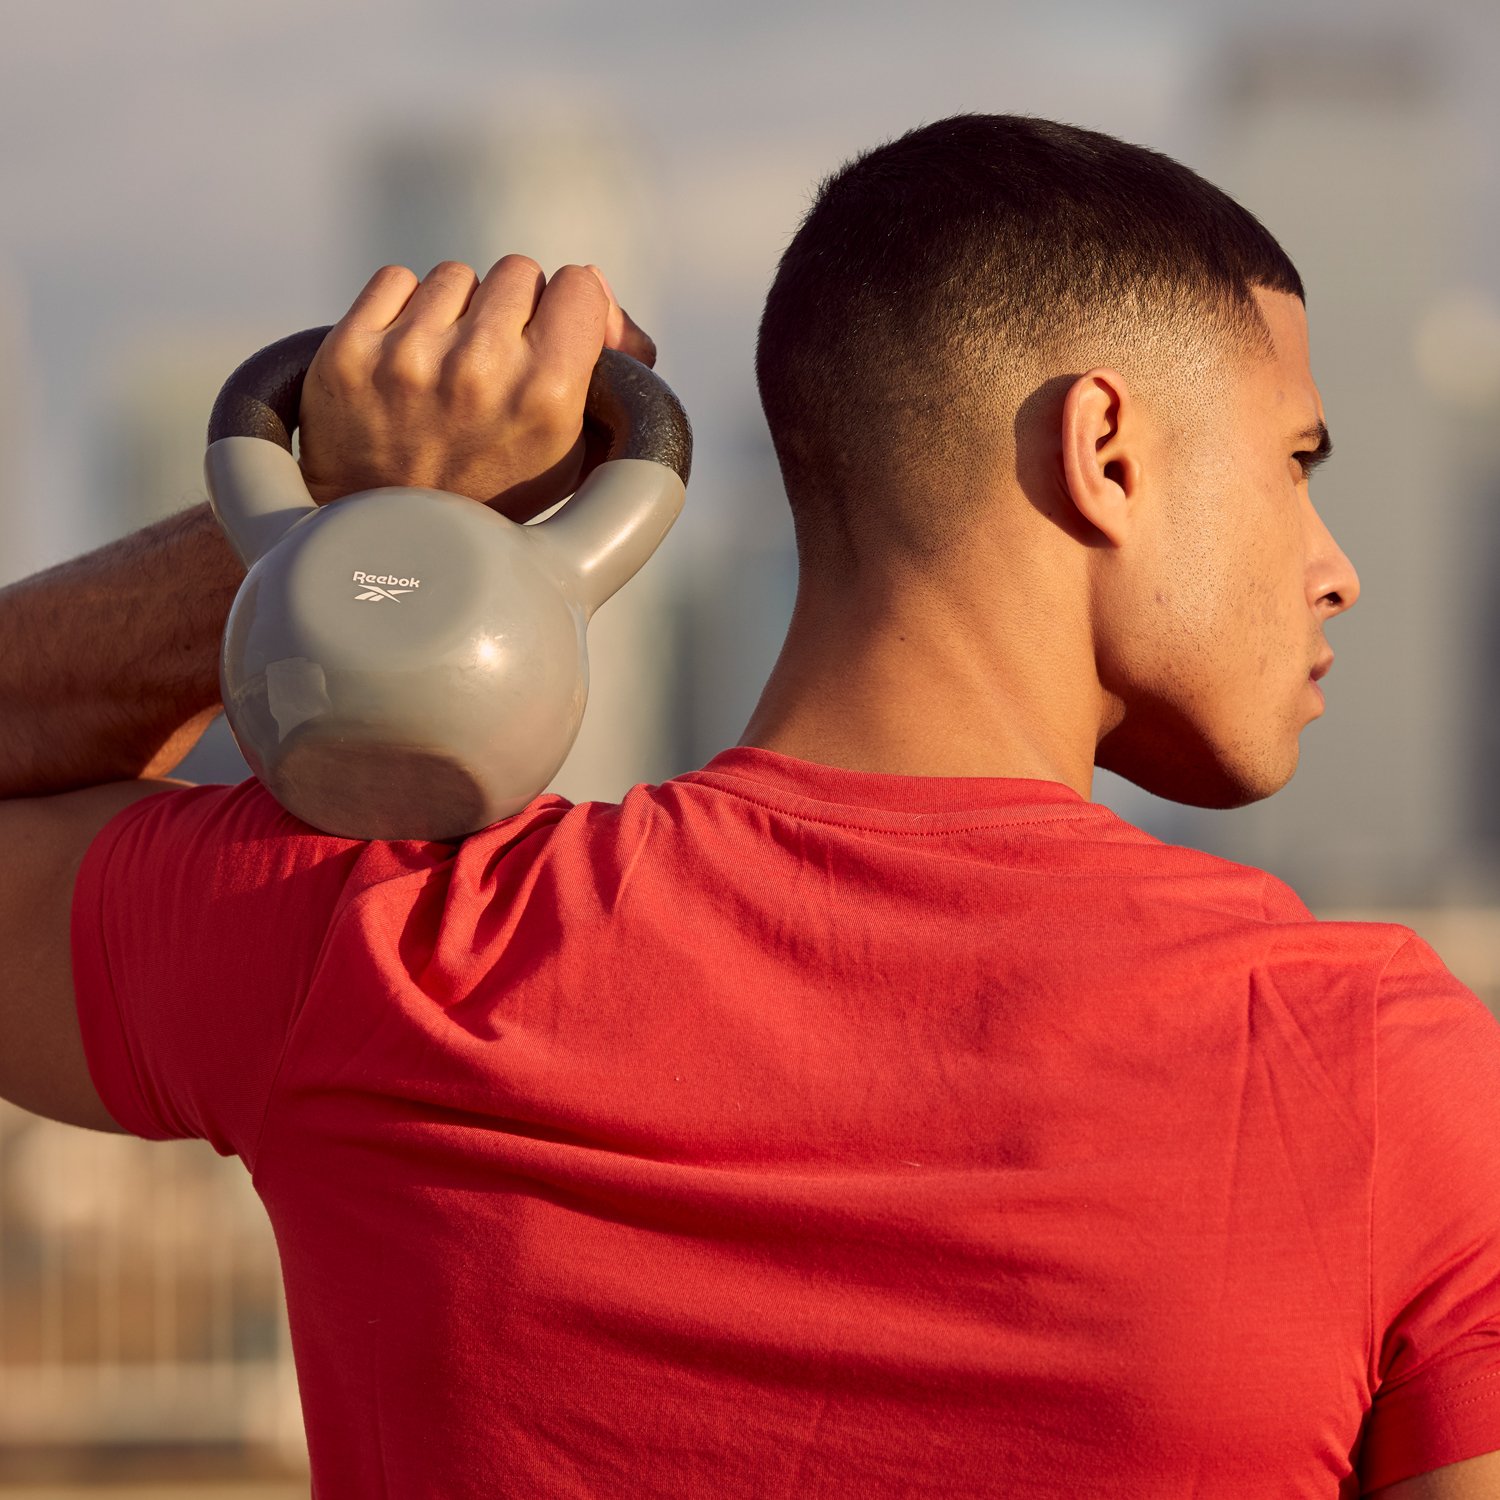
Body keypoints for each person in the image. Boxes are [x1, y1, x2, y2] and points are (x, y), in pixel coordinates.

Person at [0, 112, 1495, 1498]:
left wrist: (347, 525)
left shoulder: (398, 954)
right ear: (1104, 454)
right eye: (1295, 464)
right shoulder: (1378, 1075)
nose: (1335, 567)